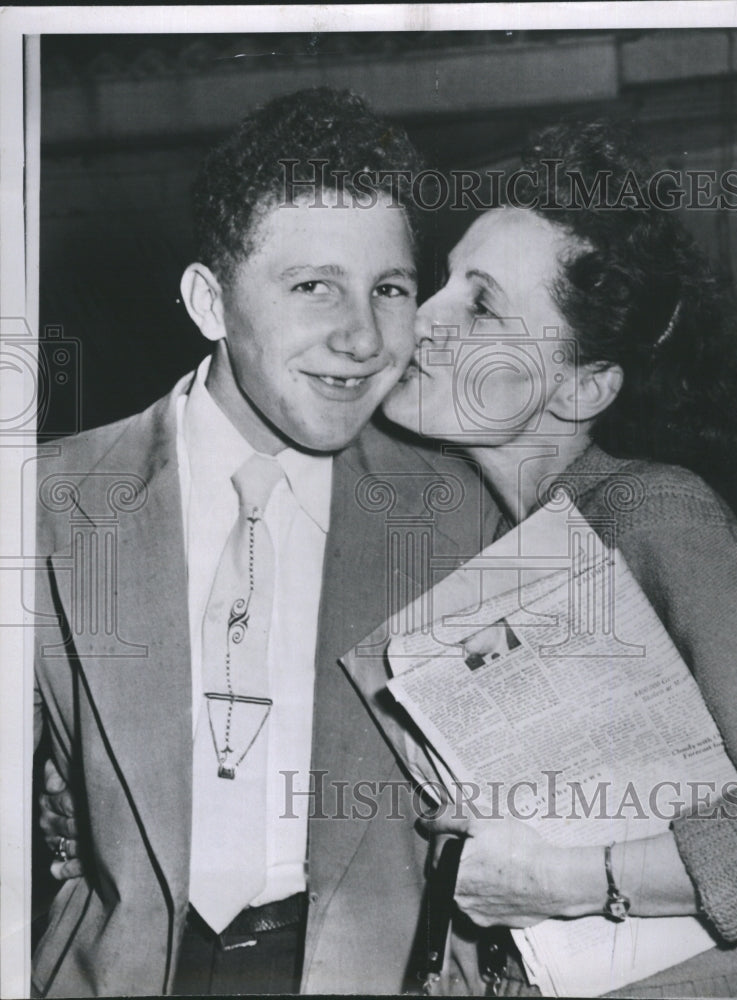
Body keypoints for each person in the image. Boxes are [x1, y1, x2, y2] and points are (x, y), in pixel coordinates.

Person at [31, 87, 497, 997]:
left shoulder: (457, 517)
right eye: (313, 285)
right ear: (210, 300)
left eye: (389, 289)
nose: (361, 336)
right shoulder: (44, 502)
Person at [380, 123, 737, 996]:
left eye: (478, 305)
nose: (424, 318)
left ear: (584, 385)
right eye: (442, 282)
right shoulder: (486, 543)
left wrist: (569, 882)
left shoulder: (655, 515)